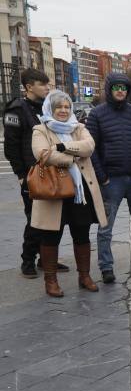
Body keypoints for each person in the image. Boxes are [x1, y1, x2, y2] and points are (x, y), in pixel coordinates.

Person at [30, 91, 107, 297]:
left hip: (79, 191)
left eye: (66, 107)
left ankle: (84, 276)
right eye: (58, 107)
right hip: (53, 191)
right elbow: (43, 154)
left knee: (81, 234)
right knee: (50, 237)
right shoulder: (40, 129)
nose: (63, 111)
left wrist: (62, 147)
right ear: (50, 109)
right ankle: (51, 281)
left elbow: (89, 147)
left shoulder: (79, 127)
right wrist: (71, 158)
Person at [87, 73, 131, 284]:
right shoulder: (97, 114)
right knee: (105, 227)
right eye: (116, 87)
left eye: (124, 88)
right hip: (111, 180)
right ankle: (106, 267)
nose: (120, 91)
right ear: (109, 89)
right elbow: (91, 149)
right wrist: (102, 177)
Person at [4, 68, 70, 278]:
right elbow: (11, 147)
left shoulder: (47, 108)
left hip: (53, 170)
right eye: (42, 84)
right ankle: (28, 261)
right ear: (29, 87)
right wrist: (21, 174)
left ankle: (46, 258)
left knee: (56, 219)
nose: (47, 88)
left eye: (47, 84)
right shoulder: (16, 110)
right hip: (32, 172)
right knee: (35, 219)